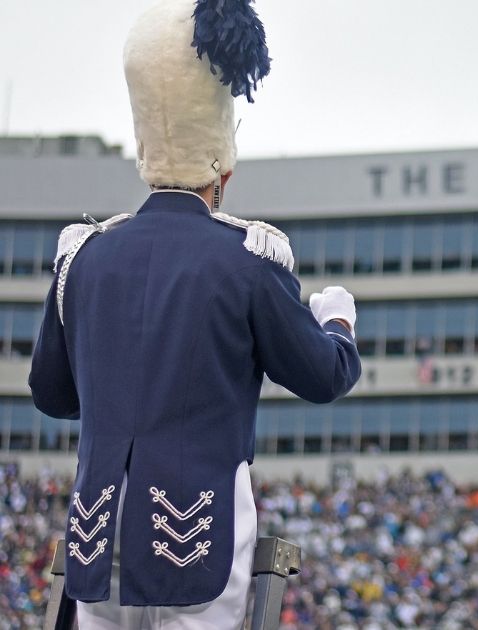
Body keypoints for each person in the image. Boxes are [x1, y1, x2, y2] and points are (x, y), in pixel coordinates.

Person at [28, 0, 362, 627]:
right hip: (198, 526)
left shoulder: (85, 255)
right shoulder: (248, 256)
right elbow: (323, 377)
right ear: (223, 166)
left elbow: (51, 394)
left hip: (98, 529)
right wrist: (337, 322)